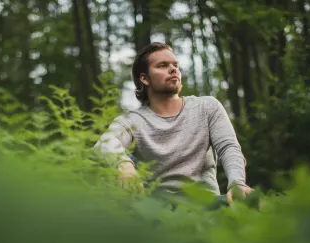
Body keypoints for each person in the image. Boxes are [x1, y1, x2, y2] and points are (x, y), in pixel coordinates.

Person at [94, 42, 253, 204]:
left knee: (249, 203)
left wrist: (237, 182)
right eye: (162, 65)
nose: (173, 69)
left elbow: (228, 147)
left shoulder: (207, 107)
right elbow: (104, 144)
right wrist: (124, 165)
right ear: (144, 78)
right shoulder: (131, 120)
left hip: (207, 203)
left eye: (175, 65)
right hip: (156, 211)